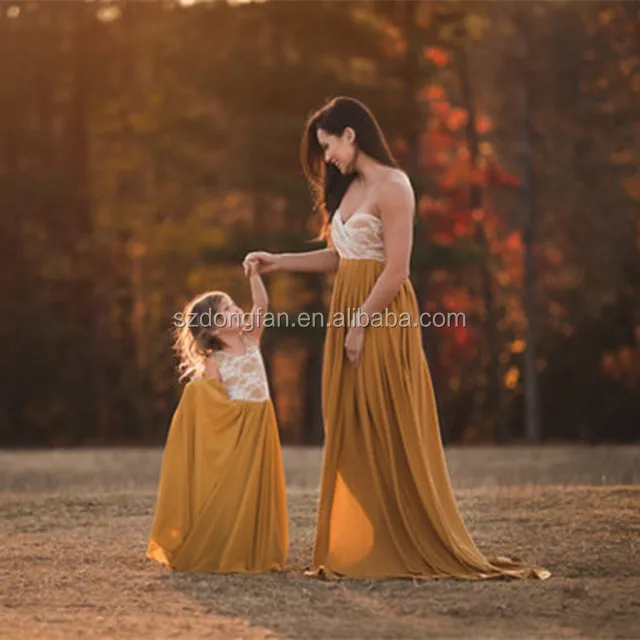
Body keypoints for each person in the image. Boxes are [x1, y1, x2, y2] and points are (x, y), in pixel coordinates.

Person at [243, 95, 550, 581]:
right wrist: (277, 261)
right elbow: (340, 257)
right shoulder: (347, 189)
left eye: (329, 147)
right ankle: (364, 541)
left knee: (384, 418)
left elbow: (397, 269)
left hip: (381, 316)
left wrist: (361, 323)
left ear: (351, 134)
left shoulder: (395, 187)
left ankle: (401, 538)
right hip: (349, 312)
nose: (327, 160)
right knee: (348, 422)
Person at [145, 267, 289, 573]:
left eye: (235, 305)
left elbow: (261, 304)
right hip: (237, 429)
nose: (238, 310)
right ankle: (224, 542)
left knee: (258, 485)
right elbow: (212, 404)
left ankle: (252, 545)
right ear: (212, 328)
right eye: (227, 309)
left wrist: (254, 273)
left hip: (261, 422)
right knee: (235, 487)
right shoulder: (214, 362)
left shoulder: (251, 340)